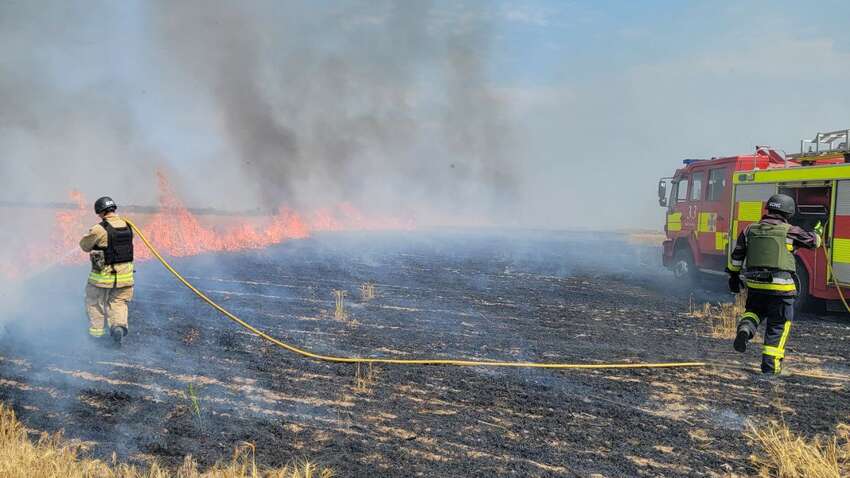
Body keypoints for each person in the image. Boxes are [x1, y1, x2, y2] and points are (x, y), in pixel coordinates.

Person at [727, 193, 822, 377]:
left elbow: (736, 257)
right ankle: (771, 369)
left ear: (768, 209)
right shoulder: (790, 230)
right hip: (781, 290)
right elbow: (814, 243)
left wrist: (733, 277)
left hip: (756, 286)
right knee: (778, 326)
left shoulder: (749, 230)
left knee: (753, 312)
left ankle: (745, 329)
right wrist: (818, 230)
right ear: (788, 212)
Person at [79, 196, 134, 347]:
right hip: (126, 277)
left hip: (103, 277)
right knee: (119, 302)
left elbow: (85, 246)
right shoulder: (128, 226)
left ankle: (96, 335)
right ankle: (118, 327)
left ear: (100, 212)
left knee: (94, 302)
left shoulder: (99, 229)